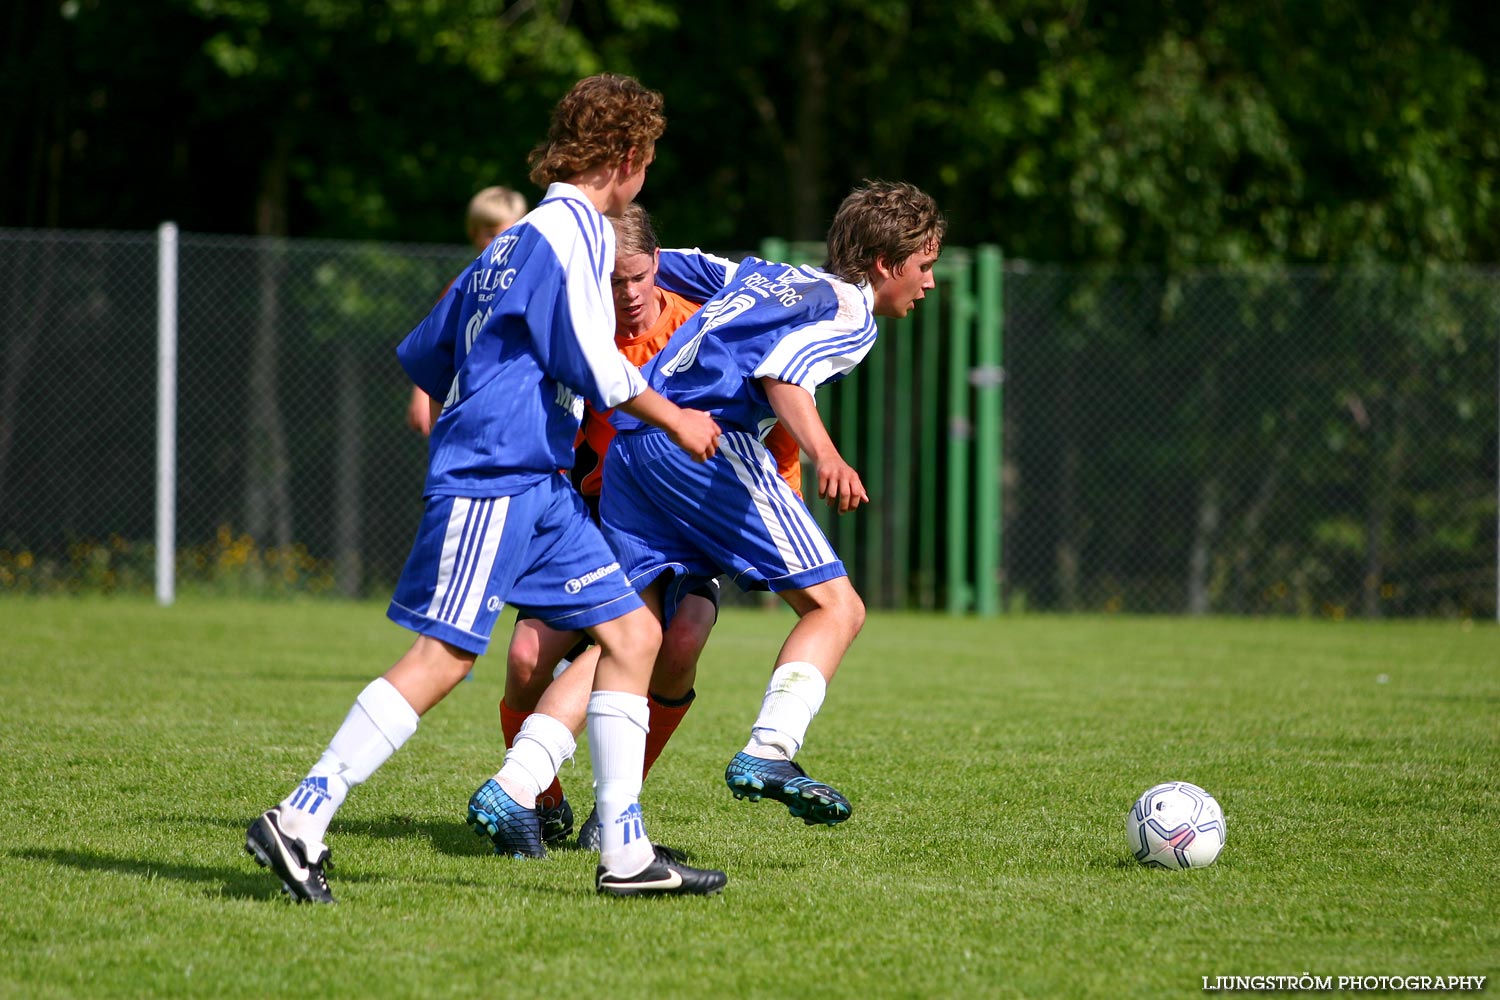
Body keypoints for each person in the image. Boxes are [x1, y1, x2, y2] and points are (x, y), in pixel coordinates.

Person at [244, 73, 729, 902]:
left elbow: (429, 352)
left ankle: (624, 854)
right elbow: (588, 354)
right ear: (629, 156)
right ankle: (299, 816)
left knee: (633, 638)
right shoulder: (572, 232)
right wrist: (675, 418)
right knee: (445, 658)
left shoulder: (514, 240)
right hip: (497, 474)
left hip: (539, 479)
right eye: (649, 156)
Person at [598, 179, 945, 829]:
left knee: (630, 641)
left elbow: (671, 260)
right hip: (701, 444)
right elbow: (782, 374)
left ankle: (535, 785)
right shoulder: (851, 314)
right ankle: (770, 750)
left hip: (633, 443)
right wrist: (827, 455)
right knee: (837, 607)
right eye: (923, 266)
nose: (927, 283)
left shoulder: (766, 275)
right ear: (885, 264)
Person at [495, 203, 804, 851]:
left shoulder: (698, 328)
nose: (629, 295)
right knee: (527, 657)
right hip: (586, 519)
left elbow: (777, 406)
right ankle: (536, 800)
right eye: (612, 282)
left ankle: (614, 811)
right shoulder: (571, 337)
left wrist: (780, 503)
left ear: (657, 267)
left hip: (682, 525)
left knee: (683, 636)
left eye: (638, 277)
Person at [405, 186, 529, 436]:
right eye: (490, 234)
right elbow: (437, 345)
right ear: (473, 234)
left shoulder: (527, 282)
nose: (499, 242)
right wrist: (421, 392)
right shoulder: (460, 287)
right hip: (466, 401)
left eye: (508, 233)